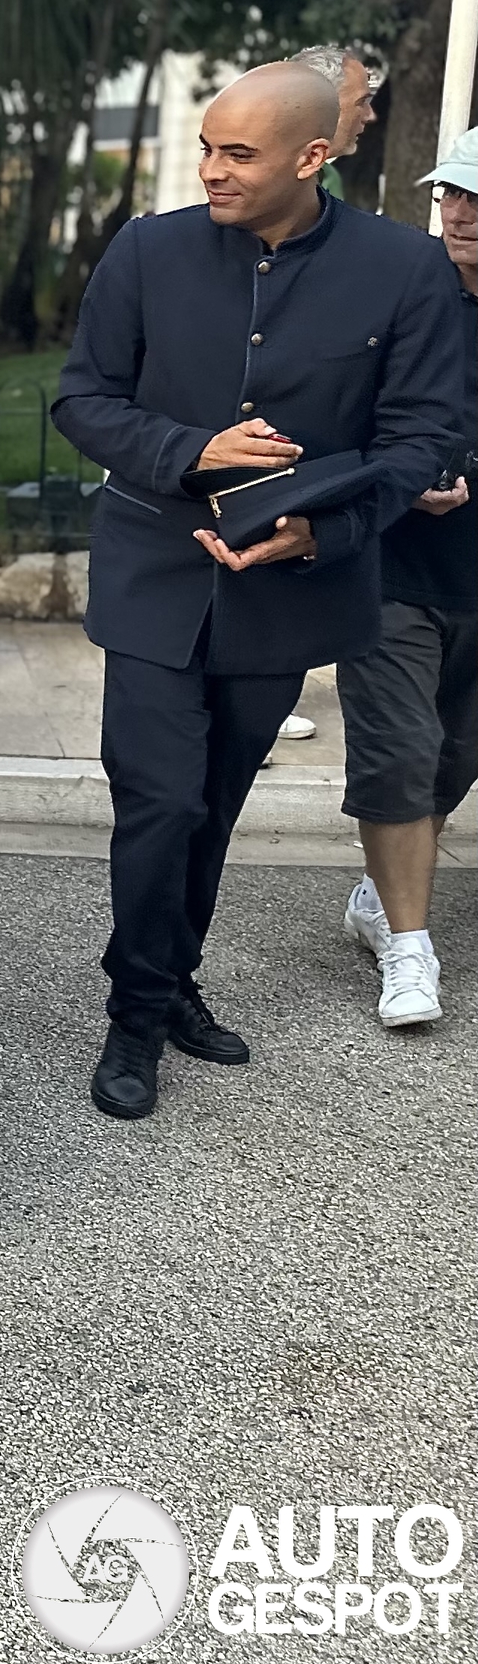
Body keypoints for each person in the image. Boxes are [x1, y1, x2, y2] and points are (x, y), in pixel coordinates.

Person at [53, 61, 463, 1120]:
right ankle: (136, 1013)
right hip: (152, 572)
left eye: (236, 154)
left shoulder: (403, 269)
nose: (210, 171)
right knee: (158, 801)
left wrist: (320, 531)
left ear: (310, 158)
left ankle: (174, 978)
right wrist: (191, 449)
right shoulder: (147, 249)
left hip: (287, 593)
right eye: (206, 147)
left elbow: (419, 437)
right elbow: (82, 399)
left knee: (215, 807)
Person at [336, 126, 478, 1029]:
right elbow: (337, 406)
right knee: (399, 753)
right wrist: (393, 476)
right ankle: (410, 947)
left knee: (456, 757)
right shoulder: (400, 290)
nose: (461, 214)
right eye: (452, 196)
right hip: (391, 570)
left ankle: (380, 892)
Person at [291, 43, 383, 164]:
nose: (370, 116)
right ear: (318, 107)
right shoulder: (267, 178)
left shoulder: (324, 177)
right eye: (361, 102)